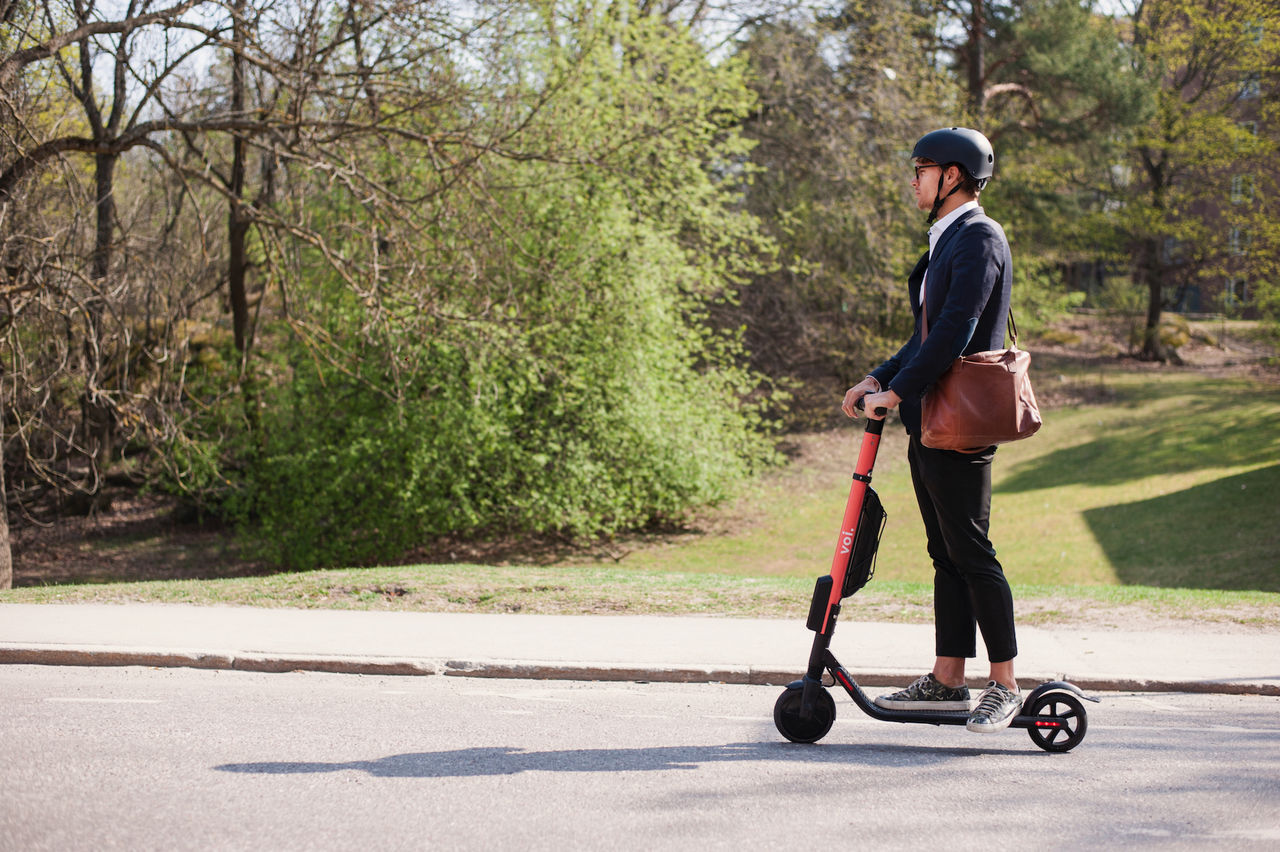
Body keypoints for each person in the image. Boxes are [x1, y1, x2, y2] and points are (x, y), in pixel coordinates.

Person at [841, 126, 1022, 734]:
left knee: (972, 551)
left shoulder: (979, 237)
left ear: (953, 176)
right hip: (932, 419)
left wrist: (899, 389)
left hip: (961, 420)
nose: (913, 178)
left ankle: (1005, 685)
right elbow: (924, 333)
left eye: (922, 168)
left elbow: (956, 330)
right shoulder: (946, 241)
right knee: (945, 553)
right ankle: (948, 680)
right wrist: (878, 377)